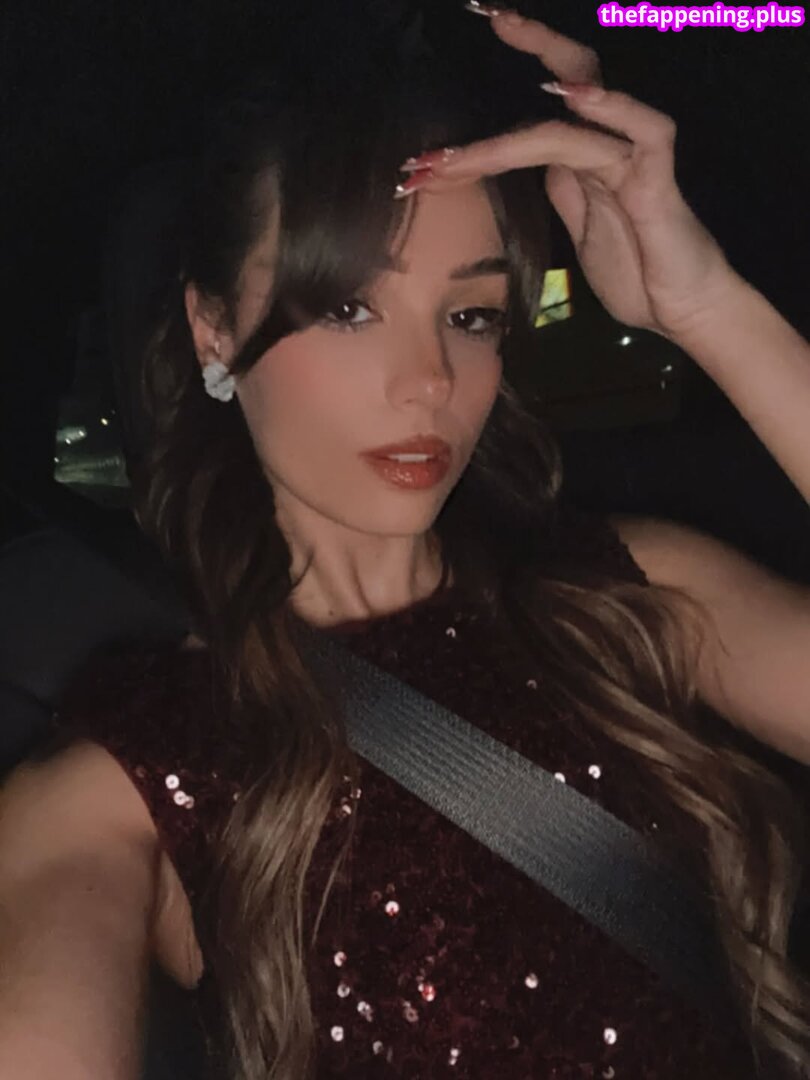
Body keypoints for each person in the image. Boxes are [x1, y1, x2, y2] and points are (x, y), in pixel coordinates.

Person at [1, 4, 809, 1078]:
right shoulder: (125, 780)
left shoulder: (632, 594)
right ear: (214, 329)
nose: (430, 381)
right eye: (347, 309)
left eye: (471, 316)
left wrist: (707, 307)